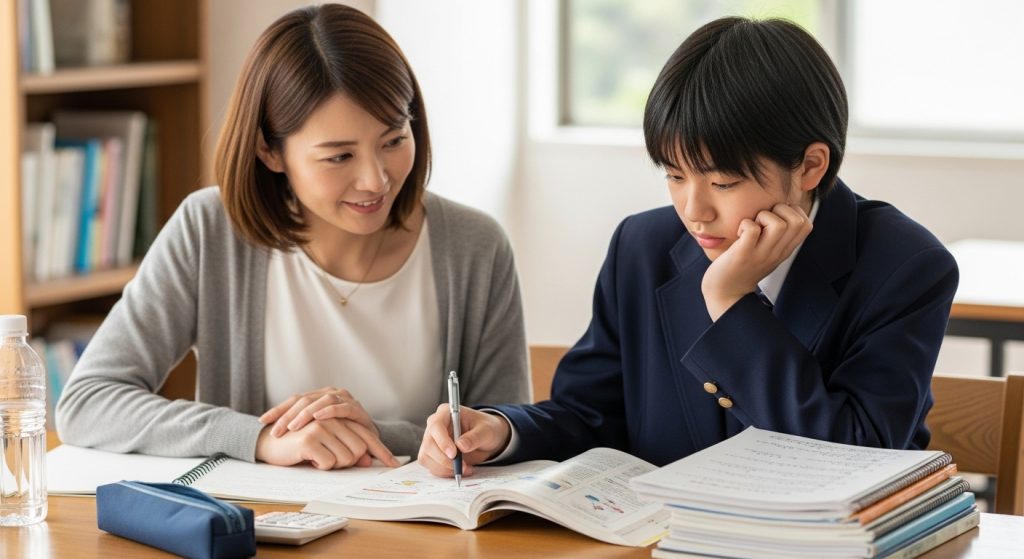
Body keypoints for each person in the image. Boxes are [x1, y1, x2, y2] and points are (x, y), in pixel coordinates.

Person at [418, 16, 958, 477]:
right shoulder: (643, 246)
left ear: (811, 165)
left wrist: (729, 300)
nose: (693, 211)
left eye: (723, 183)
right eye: (675, 176)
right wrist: (501, 429)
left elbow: (855, 456)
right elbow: (590, 413)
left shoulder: (904, 267)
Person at [56, 4, 530, 470]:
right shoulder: (210, 230)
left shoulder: (475, 247)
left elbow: (505, 437)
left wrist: (367, 435)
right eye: (339, 157)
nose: (376, 180)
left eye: (393, 140)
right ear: (269, 150)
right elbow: (87, 401)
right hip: (256, 534)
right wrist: (261, 438)